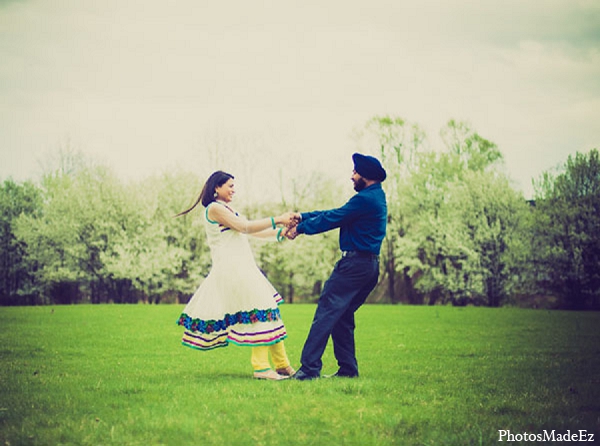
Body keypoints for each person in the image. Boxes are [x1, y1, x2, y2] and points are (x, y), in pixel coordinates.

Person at [175, 170, 296, 381]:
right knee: (261, 312)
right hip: (233, 270)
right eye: (230, 185)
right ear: (216, 188)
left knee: (269, 312)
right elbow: (245, 227)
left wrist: (281, 232)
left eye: (233, 185)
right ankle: (261, 369)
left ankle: (283, 365)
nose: (233, 189)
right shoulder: (214, 209)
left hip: (243, 268)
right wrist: (278, 219)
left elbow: (250, 231)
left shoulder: (228, 209)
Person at [285, 153, 387, 380]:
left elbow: (334, 218)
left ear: (366, 176)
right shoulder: (374, 197)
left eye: (355, 172)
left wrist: (299, 229)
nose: (352, 176)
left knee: (326, 312)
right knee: (342, 317)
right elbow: (336, 213)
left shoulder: (366, 199)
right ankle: (348, 371)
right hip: (368, 267)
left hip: (354, 266)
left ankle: (309, 369)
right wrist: (302, 217)